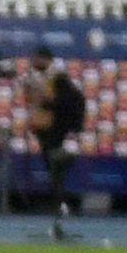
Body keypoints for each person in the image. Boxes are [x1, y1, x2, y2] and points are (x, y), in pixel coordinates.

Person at [27, 50, 87, 232]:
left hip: (58, 133)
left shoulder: (58, 79)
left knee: (56, 169)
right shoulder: (41, 77)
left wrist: (74, 128)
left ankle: (60, 204)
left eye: (37, 59)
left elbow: (70, 101)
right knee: (54, 171)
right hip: (49, 133)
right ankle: (59, 204)